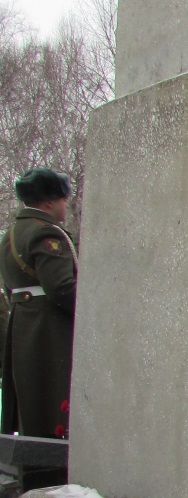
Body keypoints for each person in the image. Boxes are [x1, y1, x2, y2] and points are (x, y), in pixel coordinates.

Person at [1, 168, 78, 452]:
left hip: (23, 324)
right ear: (48, 203)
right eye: (63, 199)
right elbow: (62, 288)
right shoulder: (46, 233)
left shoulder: (11, 233)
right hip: (49, 329)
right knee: (53, 404)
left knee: (31, 402)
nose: (65, 205)